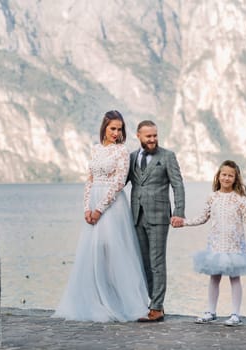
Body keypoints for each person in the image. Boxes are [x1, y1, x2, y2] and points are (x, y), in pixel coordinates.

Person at [52, 110, 149, 322]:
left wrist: (99, 209)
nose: (116, 133)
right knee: (93, 253)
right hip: (94, 200)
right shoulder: (95, 149)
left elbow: (118, 182)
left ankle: (120, 301)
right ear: (104, 127)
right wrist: (87, 208)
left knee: (114, 253)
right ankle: (95, 298)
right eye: (112, 128)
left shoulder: (122, 151)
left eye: (119, 129)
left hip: (112, 206)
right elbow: (89, 180)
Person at [174, 160, 246, 326]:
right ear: (218, 176)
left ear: (235, 178)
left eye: (230, 175)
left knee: (234, 278)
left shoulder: (240, 199)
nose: (226, 178)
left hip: (234, 246)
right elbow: (203, 218)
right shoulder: (213, 197)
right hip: (216, 245)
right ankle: (211, 311)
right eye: (223, 174)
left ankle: (235, 314)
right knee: (214, 277)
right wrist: (184, 222)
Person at [128, 120, 185, 322]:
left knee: (157, 262)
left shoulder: (167, 156)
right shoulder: (132, 157)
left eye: (155, 135)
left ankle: (157, 307)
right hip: (136, 215)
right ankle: (151, 303)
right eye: (148, 136)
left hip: (159, 216)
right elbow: (119, 182)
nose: (152, 139)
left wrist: (178, 212)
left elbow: (178, 185)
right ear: (138, 136)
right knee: (144, 263)